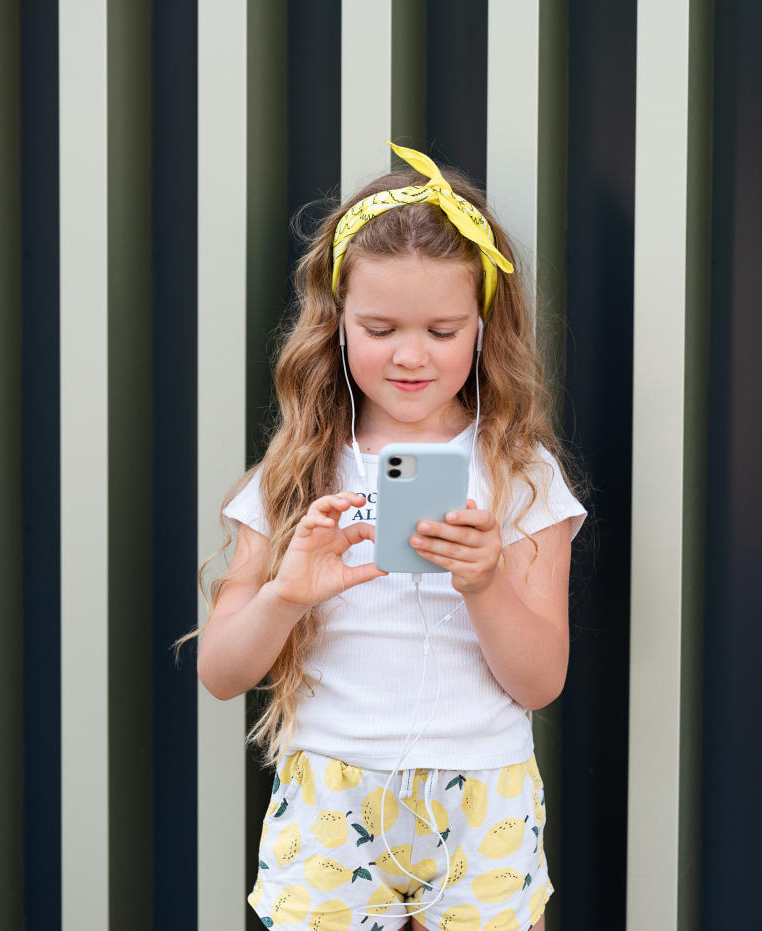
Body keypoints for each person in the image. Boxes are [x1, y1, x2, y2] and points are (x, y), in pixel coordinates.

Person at [189, 142, 585, 931]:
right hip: (333, 792)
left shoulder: (519, 474)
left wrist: (486, 583)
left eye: (442, 329)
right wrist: (284, 595)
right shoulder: (295, 471)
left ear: (484, 326)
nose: (410, 354)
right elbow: (222, 672)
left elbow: (540, 682)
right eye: (379, 327)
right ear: (336, 322)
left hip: (482, 797)